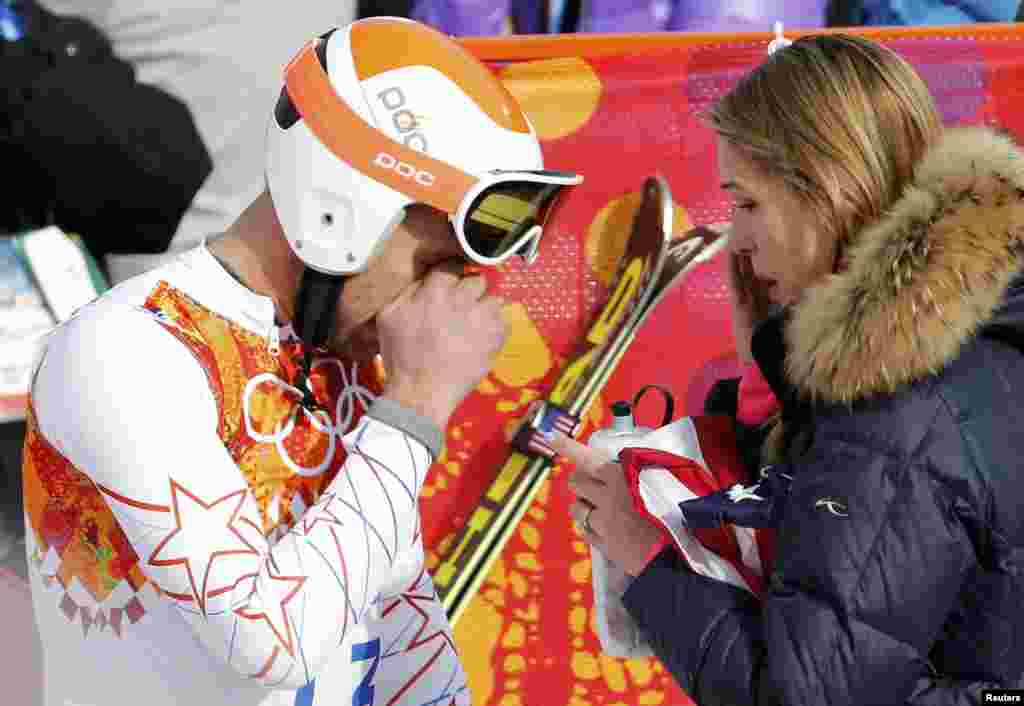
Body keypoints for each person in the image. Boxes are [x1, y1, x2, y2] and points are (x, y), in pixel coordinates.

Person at [22, 17, 581, 706]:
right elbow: (270, 643)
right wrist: (414, 411)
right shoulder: (125, 350)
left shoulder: (336, 360)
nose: (450, 298)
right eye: (437, 262)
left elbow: (400, 631)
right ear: (342, 210)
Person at [549, 33, 1024, 703]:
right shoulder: (963, 337)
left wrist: (647, 557)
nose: (736, 239)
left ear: (827, 190)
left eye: (747, 203)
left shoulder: (898, 401)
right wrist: (764, 384)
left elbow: (804, 694)